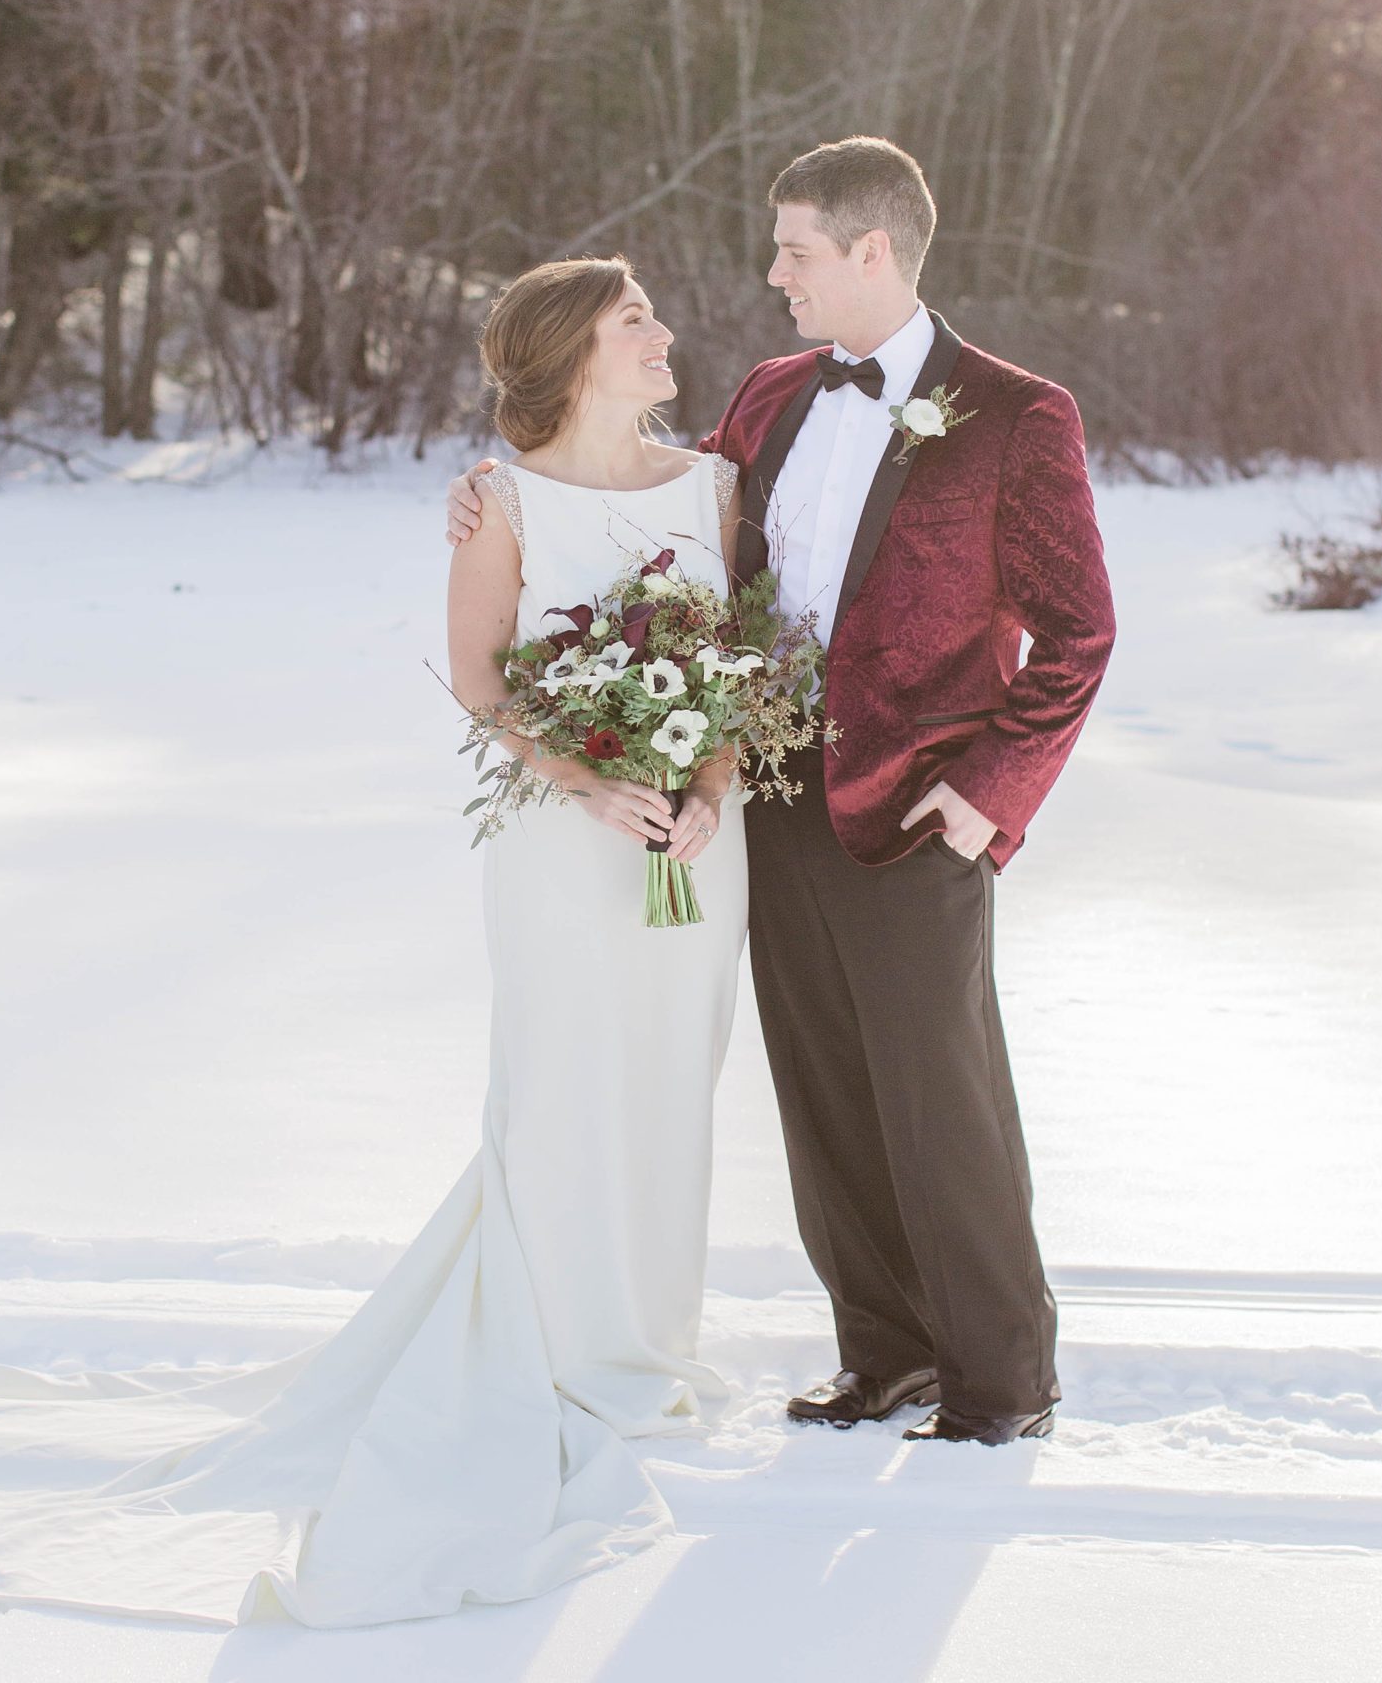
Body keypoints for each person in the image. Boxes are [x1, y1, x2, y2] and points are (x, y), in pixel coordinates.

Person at [0, 259, 748, 1628]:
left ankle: (648, 1340)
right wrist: (586, 780)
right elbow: (481, 680)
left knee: (671, 1076)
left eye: (655, 308)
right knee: (561, 1080)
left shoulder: (715, 485)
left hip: (699, 844)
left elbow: (746, 664)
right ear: (573, 350)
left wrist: (705, 789)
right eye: (635, 316)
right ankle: (567, 1347)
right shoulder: (503, 499)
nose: (664, 330)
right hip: (557, 836)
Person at [449, 137, 1115, 1445]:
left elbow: (1078, 634)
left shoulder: (1016, 414)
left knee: (941, 1086)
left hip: (921, 805)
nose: (774, 275)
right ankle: (887, 1352)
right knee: (821, 1088)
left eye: (797, 251)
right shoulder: (765, 396)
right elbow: (650, 515)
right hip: (758, 790)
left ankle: (1001, 1375)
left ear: (873, 252)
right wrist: (500, 495)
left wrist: (991, 792)